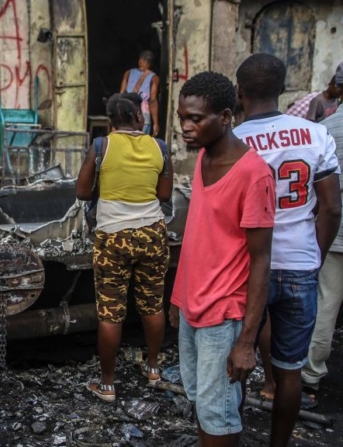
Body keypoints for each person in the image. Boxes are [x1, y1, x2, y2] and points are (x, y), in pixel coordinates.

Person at [234, 54, 341, 447]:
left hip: (246, 267)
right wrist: (315, 255)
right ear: (282, 89)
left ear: (240, 91)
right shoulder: (316, 134)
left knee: (237, 362)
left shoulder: (235, 141)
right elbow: (331, 207)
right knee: (290, 370)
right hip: (300, 264)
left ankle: (233, 435)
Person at [170, 71, 275, 447]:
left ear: (227, 116)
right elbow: (200, 236)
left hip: (223, 315)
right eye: (182, 117)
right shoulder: (203, 159)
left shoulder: (253, 173)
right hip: (192, 306)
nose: (186, 126)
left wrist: (246, 341)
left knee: (219, 416)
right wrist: (178, 299)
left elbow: (261, 260)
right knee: (203, 404)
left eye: (196, 119)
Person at [76, 92, 172, 402]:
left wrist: (108, 189)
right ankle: (154, 368)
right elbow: (165, 194)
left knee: (110, 313)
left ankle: (107, 385)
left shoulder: (102, 146)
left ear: (110, 122)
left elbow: (81, 190)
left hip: (113, 237)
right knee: (153, 305)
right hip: (153, 234)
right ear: (140, 119)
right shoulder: (159, 147)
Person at [302, 61, 343, 408]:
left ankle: (311, 375)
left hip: (335, 235)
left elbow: (325, 203)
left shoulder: (325, 130)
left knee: (326, 303)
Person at [120, 50, 160, 136]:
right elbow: (153, 100)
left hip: (127, 112)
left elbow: (122, 93)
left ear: (141, 61)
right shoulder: (154, 78)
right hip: (143, 116)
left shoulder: (128, 73)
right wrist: (156, 123)